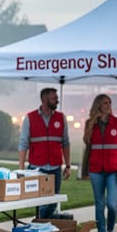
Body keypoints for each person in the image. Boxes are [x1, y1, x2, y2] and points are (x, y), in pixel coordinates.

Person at [81, 94, 117, 232]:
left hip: (113, 169)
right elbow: (88, 149)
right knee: (99, 205)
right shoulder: (90, 124)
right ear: (98, 105)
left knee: (112, 204)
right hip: (95, 169)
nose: (108, 105)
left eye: (109, 102)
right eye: (104, 103)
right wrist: (84, 171)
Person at [18, 87, 72, 219]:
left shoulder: (61, 118)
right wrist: (21, 168)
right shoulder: (30, 118)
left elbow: (66, 142)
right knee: (40, 203)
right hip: (37, 168)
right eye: (54, 98)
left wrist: (68, 165)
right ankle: (42, 225)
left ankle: (39, 222)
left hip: (55, 168)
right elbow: (23, 143)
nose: (57, 101)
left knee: (53, 202)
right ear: (44, 99)